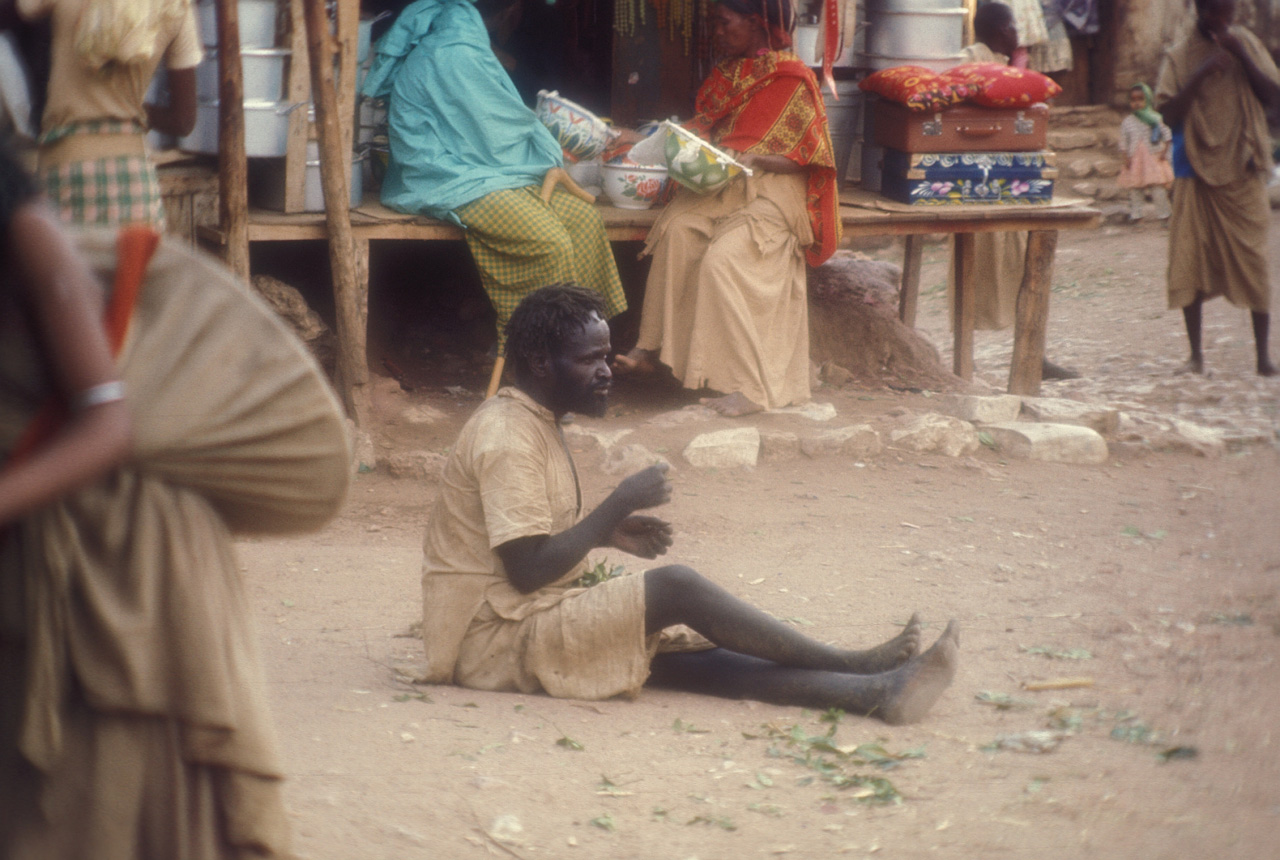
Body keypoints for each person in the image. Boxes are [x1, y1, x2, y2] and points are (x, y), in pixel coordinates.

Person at [0, 138, 352, 857]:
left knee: (113, 802)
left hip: (128, 563)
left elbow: (108, 424)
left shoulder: (26, 230)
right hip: (31, 545)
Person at [418, 284, 959, 724]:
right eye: (591, 359)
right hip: (492, 640)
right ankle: (848, 660)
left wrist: (607, 532)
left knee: (688, 660)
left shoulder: (531, 419)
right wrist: (614, 506)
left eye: (607, 356)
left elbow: (529, 553)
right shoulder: (508, 436)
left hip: (519, 618)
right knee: (677, 587)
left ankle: (876, 692)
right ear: (540, 362)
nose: (608, 370)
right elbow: (529, 570)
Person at [615, 0, 841, 417]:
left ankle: (751, 388)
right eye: (712, 24)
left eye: (722, 23)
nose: (715, 32)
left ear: (756, 24)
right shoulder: (726, 75)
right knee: (678, 230)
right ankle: (655, 352)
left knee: (725, 261)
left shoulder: (793, 77)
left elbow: (812, 155)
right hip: (726, 183)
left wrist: (760, 160)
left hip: (775, 189)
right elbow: (706, 129)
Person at [361, 0, 626, 348]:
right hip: (443, 175)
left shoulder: (464, 41)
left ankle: (586, 341)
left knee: (584, 220)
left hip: (484, 168)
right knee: (549, 242)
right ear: (509, 13)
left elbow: (491, 122)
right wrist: (545, 141)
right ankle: (540, 355)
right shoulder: (454, 52)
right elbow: (496, 126)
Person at [947, 1, 1079, 380]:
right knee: (971, 271)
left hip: (1010, 177)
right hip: (973, 177)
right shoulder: (969, 61)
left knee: (1028, 266)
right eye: (1013, 29)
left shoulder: (1008, 67)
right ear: (1000, 30)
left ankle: (1033, 354)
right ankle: (963, 359)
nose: (1018, 36)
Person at [1155, 0, 1278, 377]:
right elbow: (1168, 113)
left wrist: (1244, 57)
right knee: (1189, 261)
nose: (1223, 23)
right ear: (1199, 11)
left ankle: (1262, 358)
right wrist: (1202, 72)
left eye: (1229, 14)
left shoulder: (1247, 44)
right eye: (1215, 14)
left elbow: (1274, 97)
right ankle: (1195, 357)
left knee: (1254, 260)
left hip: (1242, 167)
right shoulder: (1180, 55)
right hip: (1193, 167)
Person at [13, 0, 199, 227]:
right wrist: (124, 110)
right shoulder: (177, 7)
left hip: (65, 168)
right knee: (133, 263)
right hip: (133, 178)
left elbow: (12, 11)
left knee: (68, 261)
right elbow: (183, 121)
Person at [1116, 83, 1172, 222]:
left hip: (1153, 157)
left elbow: (1167, 135)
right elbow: (1123, 142)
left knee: (1157, 187)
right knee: (1136, 188)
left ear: (1148, 99)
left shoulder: (1156, 119)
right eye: (1133, 100)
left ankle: (1164, 214)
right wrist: (1126, 159)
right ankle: (1136, 214)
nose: (1137, 103)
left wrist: (1164, 152)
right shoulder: (1128, 122)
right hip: (1135, 159)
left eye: (1140, 99)